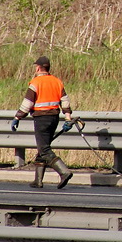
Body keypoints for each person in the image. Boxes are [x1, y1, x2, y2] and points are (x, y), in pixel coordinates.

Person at [10, 55, 75, 188]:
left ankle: (64, 172)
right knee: (43, 149)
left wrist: (18, 117)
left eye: (35, 67)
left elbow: (28, 102)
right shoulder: (57, 81)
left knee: (44, 149)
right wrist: (68, 118)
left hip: (41, 119)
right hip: (54, 118)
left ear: (38, 68)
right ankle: (38, 181)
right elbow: (65, 101)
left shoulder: (35, 83)